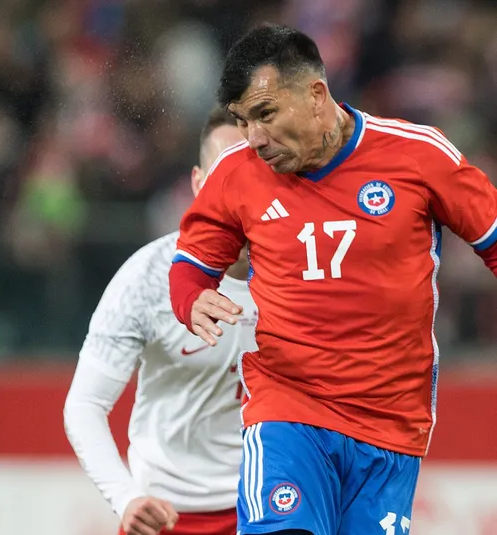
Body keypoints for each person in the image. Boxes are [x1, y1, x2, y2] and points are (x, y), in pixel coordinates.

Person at [168, 23, 497, 535]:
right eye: (242, 121)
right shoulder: (235, 173)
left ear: (316, 95)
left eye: (265, 114)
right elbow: (192, 262)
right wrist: (191, 298)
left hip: (390, 425)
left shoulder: (417, 154)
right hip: (287, 408)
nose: (254, 138)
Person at [64, 107, 259, 535]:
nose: (241, 189)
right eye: (225, 174)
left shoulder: (306, 273)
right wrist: (125, 497)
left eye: (254, 171)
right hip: (167, 516)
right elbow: (85, 405)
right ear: (198, 183)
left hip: (272, 509)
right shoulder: (149, 277)